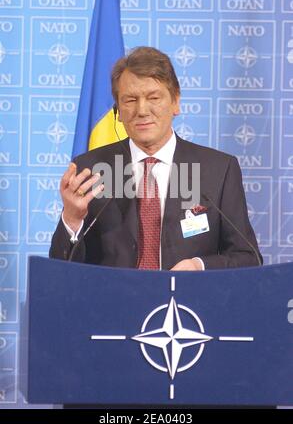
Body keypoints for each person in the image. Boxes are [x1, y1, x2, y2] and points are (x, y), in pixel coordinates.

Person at [50, 46, 262, 270]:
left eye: (153, 97)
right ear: (118, 111)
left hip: (187, 301)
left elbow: (248, 258)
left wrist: (199, 266)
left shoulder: (218, 170)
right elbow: (60, 269)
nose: (142, 110)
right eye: (130, 100)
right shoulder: (91, 169)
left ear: (176, 102)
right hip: (113, 300)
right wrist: (72, 219)